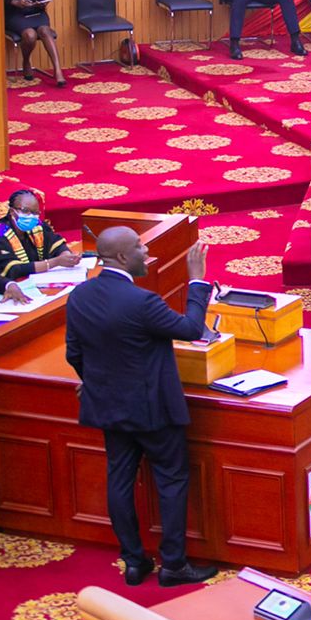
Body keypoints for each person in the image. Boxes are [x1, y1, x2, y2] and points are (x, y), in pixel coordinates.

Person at [65, 229, 218, 587]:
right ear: (120, 258)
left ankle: (134, 561)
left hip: (108, 406)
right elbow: (191, 328)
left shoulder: (80, 296)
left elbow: (74, 352)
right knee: (172, 479)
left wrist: (94, 383)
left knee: (119, 479)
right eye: (138, 246)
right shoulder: (141, 302)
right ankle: (173, 565)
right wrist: (197, 281)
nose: (146, 250)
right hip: (152, 411)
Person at [0, 189, 79, 281]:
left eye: (35, 212)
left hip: (41, 279)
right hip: (12, 285)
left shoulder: (36, 225)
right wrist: (55, 262)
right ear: (12, 211)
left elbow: (55, 242)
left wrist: (67, 256)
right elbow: (13, 269)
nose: (31, 216)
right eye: (26, 211)